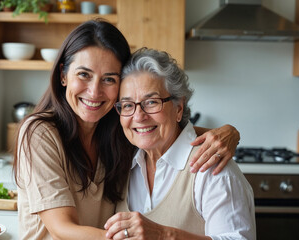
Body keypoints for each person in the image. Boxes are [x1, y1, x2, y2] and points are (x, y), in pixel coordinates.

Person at [13, 20, 240, 239]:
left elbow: (164, 127)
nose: (94, 92)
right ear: (63, 75)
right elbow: (63, 229)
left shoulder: (114, 132)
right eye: (84, 74)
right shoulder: (40, 133)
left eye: (109, 79)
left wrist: (229, 133)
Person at [104, 48, 255, 240]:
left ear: (179, 108)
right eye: (127, 105)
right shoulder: (122, 164)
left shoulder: (211, 168)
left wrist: (163, 235)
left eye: (151, 102)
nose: (139, 116)